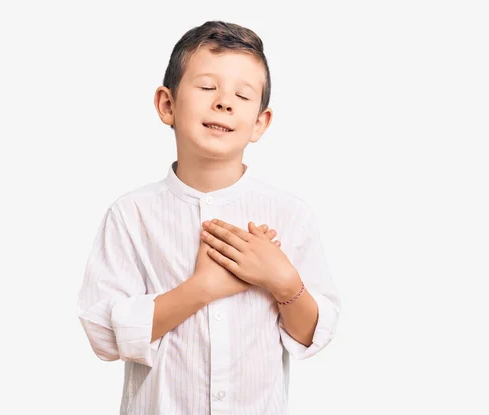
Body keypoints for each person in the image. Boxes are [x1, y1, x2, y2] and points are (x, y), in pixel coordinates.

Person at [77, 20, 341, 415]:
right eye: (206, 88)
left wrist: (283, 281)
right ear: (168, 105)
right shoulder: (131, 215)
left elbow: (311, 336)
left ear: (260, 123)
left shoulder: (290, 215)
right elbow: (104, 335)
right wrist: (203, 288)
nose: (224, 102)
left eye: (242, 95)